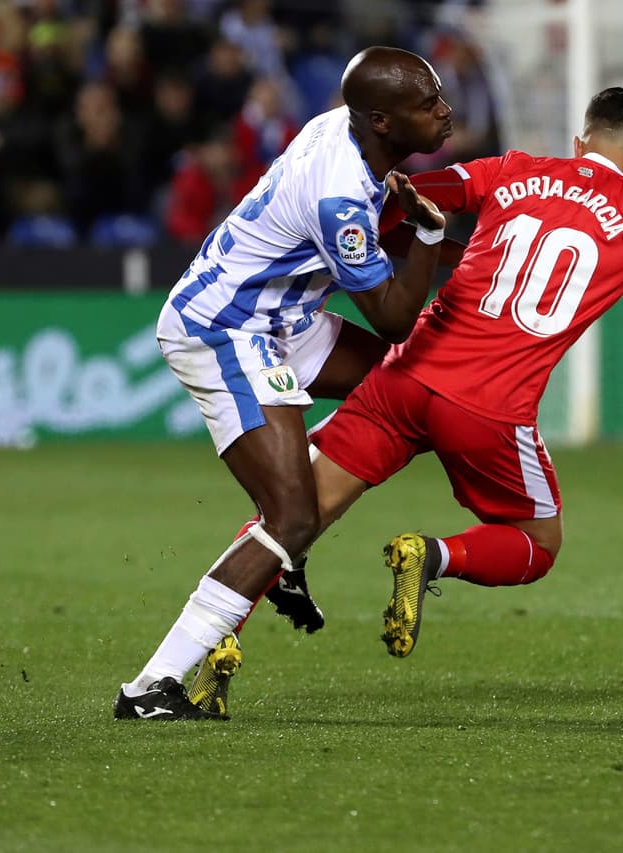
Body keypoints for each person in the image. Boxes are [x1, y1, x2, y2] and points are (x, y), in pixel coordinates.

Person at [194, 86, 623, 717]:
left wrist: (428, 249)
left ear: (580, 142)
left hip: (405, 379)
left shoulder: (512, 169)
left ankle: (209, 654)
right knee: (537, 543)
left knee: (293, 514)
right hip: (489, 410)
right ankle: (432, 554)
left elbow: (400, 198)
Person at [113, 45, 456, 722]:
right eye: (428, 104)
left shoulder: (345, 130)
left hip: (283, 319)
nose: (445, 111)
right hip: (225, 328)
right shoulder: (339, 196)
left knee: (412, 393)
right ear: (382, 121)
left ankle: (287, 531)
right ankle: (150, 686)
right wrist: (428, 235)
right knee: (293, 515)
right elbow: (392, 319)